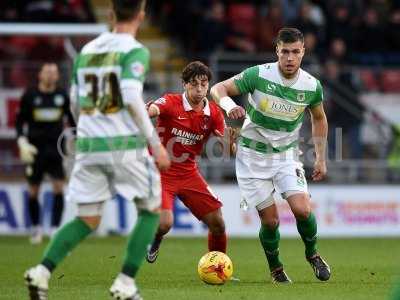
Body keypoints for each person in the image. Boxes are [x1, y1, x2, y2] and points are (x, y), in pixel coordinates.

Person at [24, 1, 170, 299]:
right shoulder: (135, 50)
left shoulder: (87, 51)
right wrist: (155, 144)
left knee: (87, 218)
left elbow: (75, 102)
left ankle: (41, 272)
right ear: (142, 15)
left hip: (89, 146)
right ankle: (125, 283)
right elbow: (130, 96)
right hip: (124, 146)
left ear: (112, 14)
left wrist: (89, 129)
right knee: (152, 209)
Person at [210, 27, 331, 283]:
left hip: (286, 156)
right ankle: (276, 268)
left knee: (303, 210)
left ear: (303, 52)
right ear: (277, 50)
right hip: (252, 158)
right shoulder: (258, 75)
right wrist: (230, 106)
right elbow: (217, 89)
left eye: (295, 52)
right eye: (285, 51)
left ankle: (313, 254)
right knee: (271, 222)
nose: (289, 58)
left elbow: (319, 118)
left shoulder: (311, 86)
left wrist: (320, 157)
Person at [145, 61, 235, 263]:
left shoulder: (213, 113)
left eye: (204, 84)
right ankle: (156, 239)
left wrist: (230, 143)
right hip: (161, 172)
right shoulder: (170, 102)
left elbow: (228, 150)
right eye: (194, 84)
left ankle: (218, 266)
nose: (200, 89)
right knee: (165, 224)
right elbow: (152, 110)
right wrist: (147, 110)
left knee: (218, 223)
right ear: (185, 84)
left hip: (188, 173)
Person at [15, 62, 75, 244]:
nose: (50, 75)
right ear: (40, 75)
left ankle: (55, 229)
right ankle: (36, 228)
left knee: (58, 187)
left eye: (54, 72)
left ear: (57, 76)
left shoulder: (62, 96)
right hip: (35, 149)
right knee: (33, 191)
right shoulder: (30, 95)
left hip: (56, 149)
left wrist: (77, 138)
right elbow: (19, 121)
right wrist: (21, 140)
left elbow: (72, 121)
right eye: (47, 72)